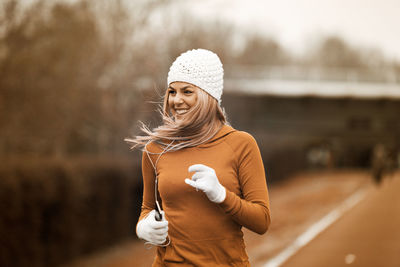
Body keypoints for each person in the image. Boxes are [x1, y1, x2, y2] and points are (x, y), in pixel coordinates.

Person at [126, 49, 271, 266]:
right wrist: (143, 228)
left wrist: (221, 195)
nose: (176, 100)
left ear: (208, 95)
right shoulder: (155, 149)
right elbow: (147, 208)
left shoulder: (241, 144)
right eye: (172, 92)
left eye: (187, 91)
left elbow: (262, 221)